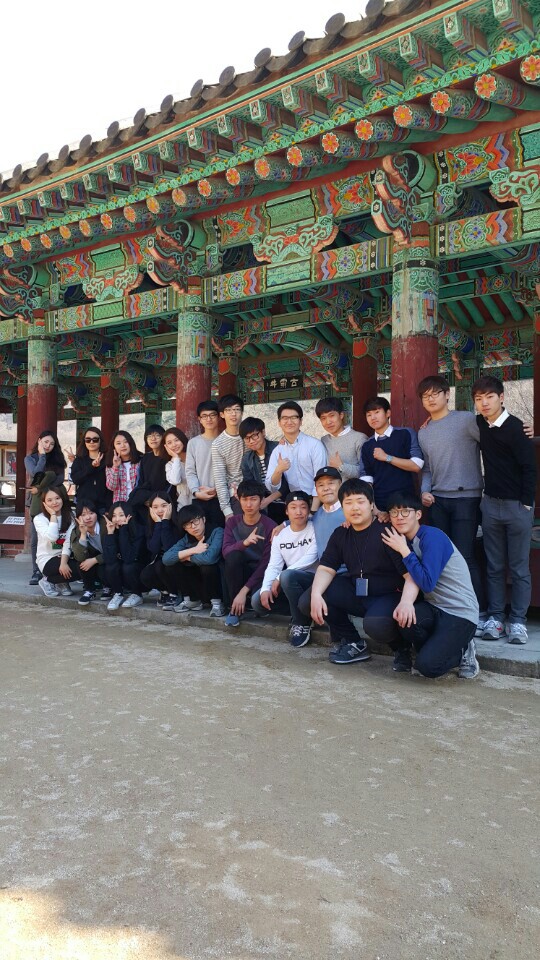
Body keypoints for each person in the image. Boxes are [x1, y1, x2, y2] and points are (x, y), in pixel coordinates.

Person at [310, 479, 419, 665]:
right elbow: (326, 568)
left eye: (360, 501)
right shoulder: (341, 533)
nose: (355, 508)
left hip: (389, 596)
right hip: (359, 594)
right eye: (348, 503)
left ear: (371, 504)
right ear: (342, 507)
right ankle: (353, 642)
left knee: (375, 624)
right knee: (319, 592)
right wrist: (315, 595)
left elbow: (410, 575)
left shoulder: (388, 532)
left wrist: (407, 602)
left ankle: (401, 648)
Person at [381, 493, 480, 679]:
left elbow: (427, 583)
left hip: (460, 612)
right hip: (434, 606)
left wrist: (404, 550)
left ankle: (462, 649)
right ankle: (435, 649)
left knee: (428, 667)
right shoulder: (403, 540)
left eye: (405, 511)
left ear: (418, 514)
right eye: (394, 512)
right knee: (405, 620)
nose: (399, 517)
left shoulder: (432, 537)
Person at [416, 375, 486, 630]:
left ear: (447, 394)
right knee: (441, 557)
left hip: (467, 497)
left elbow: (493, 441)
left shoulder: (466, 420)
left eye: (436, 393)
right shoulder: (424, 432)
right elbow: (427, 468)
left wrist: (521, 430)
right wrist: (424, 491)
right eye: (426, 396)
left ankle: (478, 611)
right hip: (438, 500)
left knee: (465, 556)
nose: (431, 399)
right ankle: (448, 608)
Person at [473, 375, 537, 644]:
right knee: (495, 566)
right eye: (479, 399)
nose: (484, 403)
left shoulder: (517, 428)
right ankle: (496, 618)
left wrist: (526, 503)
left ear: (501, 397)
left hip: (517, 506)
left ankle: (518, 621)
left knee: (520, 567)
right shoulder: (480, 423)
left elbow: (530, 468)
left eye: (489, 397)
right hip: (490, 505)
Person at [251, 491, 319, 648]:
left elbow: (311, 557)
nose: (298, 511)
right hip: (290, 583)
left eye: (303, 507)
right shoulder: (280, 535)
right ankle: (302, 611)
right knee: (257, 602)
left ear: (309, 510)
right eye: (293, 507)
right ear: (286, 511)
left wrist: (280, 577)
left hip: (312, 580)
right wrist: (266, 588)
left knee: (288, 576)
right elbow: (274, 565)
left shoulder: (315, 528)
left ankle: (301, 622)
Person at [221, 480, 276, 627]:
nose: (249, 504)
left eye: (253, 499)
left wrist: (244, 591)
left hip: (261, 574)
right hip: (240, 571)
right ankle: (234, 610)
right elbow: (226, 552)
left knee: (258, 604)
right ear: (239, 500)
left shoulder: (270, 526)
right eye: (244, 499)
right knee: (233, 556)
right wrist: (244, 543)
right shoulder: (232, 522)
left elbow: (267, 563)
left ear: (261, 501)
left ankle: (247, 600)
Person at [359, 397, 423, 518]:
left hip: (405, 504)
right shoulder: (367, 445)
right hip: (380, 506)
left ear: (388, 413)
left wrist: (387, 457)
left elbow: (417, 465)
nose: (373, 417)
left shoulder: (405, 434)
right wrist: (375, 510)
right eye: (369, 415)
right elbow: (366, 480)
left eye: (377, 412)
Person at [162, 504, 225, 616]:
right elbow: (166, 558)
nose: (193, 527)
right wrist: (193, 550)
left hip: (217, 578)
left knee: (207, 567)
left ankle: (217, 603)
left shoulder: (217, 532)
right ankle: (193, 600)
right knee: (173, 564)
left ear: (203, 519)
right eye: (187, 524)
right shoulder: (187, 538)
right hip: (198, 581)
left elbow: (210, 558)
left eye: (195, 521)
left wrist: (187, 557)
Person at [265, 402, 327, 509]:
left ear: (301, 421)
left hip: (316, 501)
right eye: (285, 418)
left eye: (294, 417)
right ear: (279, 422)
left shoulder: (314, 445)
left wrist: (313, 510)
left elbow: (321, 479)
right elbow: (272, 487)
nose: (289, 422)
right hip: (294, 503)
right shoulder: (278, 451)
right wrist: (278, 470)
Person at [25, 430, 66, 585]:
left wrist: (41, 487)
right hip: (37, 503)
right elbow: (36, 474)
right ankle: (36, 571)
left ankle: (55, 568)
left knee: (57, 535)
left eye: (52, 444)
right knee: (36, 537)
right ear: (39, 440)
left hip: (55, 501)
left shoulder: (58, 459)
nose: (48, 445)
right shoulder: (30, 458)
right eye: (46, 442)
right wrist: (42, 456)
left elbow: (60, 479)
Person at [239, 416, 288, 523]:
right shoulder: (247, 459)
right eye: (247, 438)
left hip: (287, 500)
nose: (251, 441)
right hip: (265, 506)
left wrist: (269, 499)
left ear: (263, 432)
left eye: (255, 435)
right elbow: (251, 485)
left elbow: (289, 482)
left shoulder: (278, 449)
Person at [140, 492, 182, 610]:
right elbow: (154, 548)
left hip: (178, 561)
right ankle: (165, 591)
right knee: (146, 575)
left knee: (162, 565)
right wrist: (159, 523)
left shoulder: (177, 522)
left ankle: (174, 593)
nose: (159, 510)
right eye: (155, 507)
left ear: (170, 505)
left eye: (164, 506)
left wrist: (165, 522)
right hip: (160, 560)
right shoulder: (151, 524)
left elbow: (169, 547)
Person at [102, 501, 147, 610]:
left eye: (121, 515)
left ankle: (137, 594)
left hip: (139, 571)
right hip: (123, 570)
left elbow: (128, 558)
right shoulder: (111, 530)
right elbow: (109, 559)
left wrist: (124, 530)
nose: (117, 519)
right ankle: (118, 593)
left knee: (128, 566)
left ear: (129, 515)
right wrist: (110, 534)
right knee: (110, 567)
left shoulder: (139, 530)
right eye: (114, 515)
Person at [185, 400, 223, 527]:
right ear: (199, 419)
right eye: (204, 416)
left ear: (219, 416)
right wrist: (196, 492)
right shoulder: (193, 443)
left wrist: (218, 489)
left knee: (221, 533)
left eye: (212, 415)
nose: (209, 419)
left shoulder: (226, 440)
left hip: (222, 498)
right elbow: (190, 471)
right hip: (199, 498)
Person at [33, 486, 76, 598]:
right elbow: (52, 537)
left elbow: (68, 542)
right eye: (49, 500)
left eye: (57, 498)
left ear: (62, 498)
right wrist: (53, 515)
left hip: (65, 556)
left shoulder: (71, 516)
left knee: (82, 567)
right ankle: (47, 581)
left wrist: (63, 562)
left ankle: (60, 581)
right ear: (44, 503)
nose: (54, 502)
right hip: (47, 559)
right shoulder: (39, 519)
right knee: (70, 567)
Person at [70, 500, 113, 606]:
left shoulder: (106, 525)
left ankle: (109, 587)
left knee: (103, 570)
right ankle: (90, 590)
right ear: (78, 518)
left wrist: (95, 560)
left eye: (91, 513)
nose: (88, 517)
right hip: (98, 561)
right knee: (81, 563)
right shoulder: (77, 531)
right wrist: (83, 535)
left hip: (111, 560)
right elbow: (79, 556)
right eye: (83, 515)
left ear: (96, 514)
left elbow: (114, 552)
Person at [315, 397, 367, 479]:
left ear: (341, 415)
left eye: (331, 415)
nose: (328, 422)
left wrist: (341, 466)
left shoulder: (359, 438)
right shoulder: (324, 441)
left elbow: (366, 471)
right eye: (323, 418)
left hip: (353, 487)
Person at [211, 394, 245, 519]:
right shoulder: (218, 444)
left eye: (237, 409)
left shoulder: (250, 436)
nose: (233, 414)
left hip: (257, 493)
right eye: (229, 410)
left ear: (242, 412)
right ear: (222, 414)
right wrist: (226, 510)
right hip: (235, 495)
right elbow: (219, 478)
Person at [70, 426, 110, 516]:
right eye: (88, 440)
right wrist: (91, 467)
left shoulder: (108, 459)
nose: (91, 442)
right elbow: (76, 479)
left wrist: (109, 507)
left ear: (100, 441)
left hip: (103, 506)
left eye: (95, 439)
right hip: (84, 506)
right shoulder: (79, 460)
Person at [128, 424, 167, 515]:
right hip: (145, 498)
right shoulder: (145, 458)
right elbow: (139, 481)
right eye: (149, 436)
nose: (153, 439)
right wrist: (145, 499)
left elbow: (170, 485)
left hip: (162, 499)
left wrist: (156, 500)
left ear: (163, 438)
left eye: (157, 435)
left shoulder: (168, 457)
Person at [105, 431, 142, 502]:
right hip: (120, 505)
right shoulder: (110, 464)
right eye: (118, 443)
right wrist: (116, 467)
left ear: (131, 443)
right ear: (114, 447)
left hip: (138, 503)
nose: (123, 446)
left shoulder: (141, 461)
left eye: (126, 442)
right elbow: (111, 487)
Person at [161, 427, 191, 510]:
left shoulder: (194, 456)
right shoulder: (170, 465)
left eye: (176, 440)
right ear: (166, 446)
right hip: (184, 506)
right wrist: (176, 458)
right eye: (169, 443)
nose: (174, 445)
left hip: (203, 501)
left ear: (182, 439)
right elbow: (175, 481)